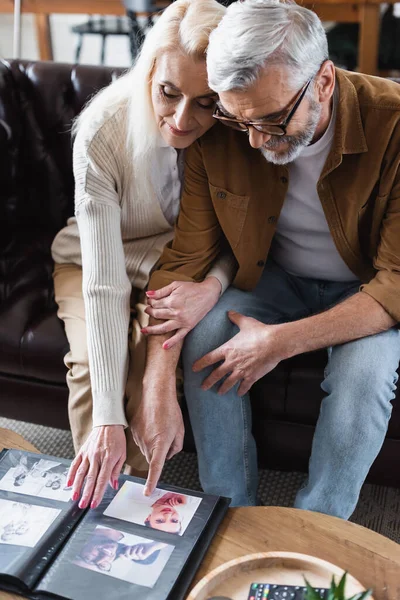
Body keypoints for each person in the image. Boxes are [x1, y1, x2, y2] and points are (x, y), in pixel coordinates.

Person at [139, 0, 400, 518]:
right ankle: (228, 510)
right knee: (207, 335)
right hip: (273, 279)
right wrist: (156, 382)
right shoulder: (223, 123)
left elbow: (397, 281)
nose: (256, 140)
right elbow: (186, 257)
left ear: (324, 81)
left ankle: (315, 527)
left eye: (273, 120)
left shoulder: (393, 124)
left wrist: (277, 344)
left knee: (364, 375)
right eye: (240, 122)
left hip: (368, 289)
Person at [52, 0, 235, 509]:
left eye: (205, 102)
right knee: (94, 368)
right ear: (148, 69)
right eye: (169, 93)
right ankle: (103, 507)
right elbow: (105, 284)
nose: (182, 119)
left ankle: (135, 504)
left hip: (179, 266)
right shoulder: (102, 130)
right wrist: (108, 419)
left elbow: (242, 237)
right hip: (93, 261)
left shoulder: (235, 126)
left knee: (140, 367)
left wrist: (210, 284)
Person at [75, 528, 165, 572]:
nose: (103, 558)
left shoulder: (89, 519)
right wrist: (155, 545)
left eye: (89, 559)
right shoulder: (140, 541)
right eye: (102, 566)